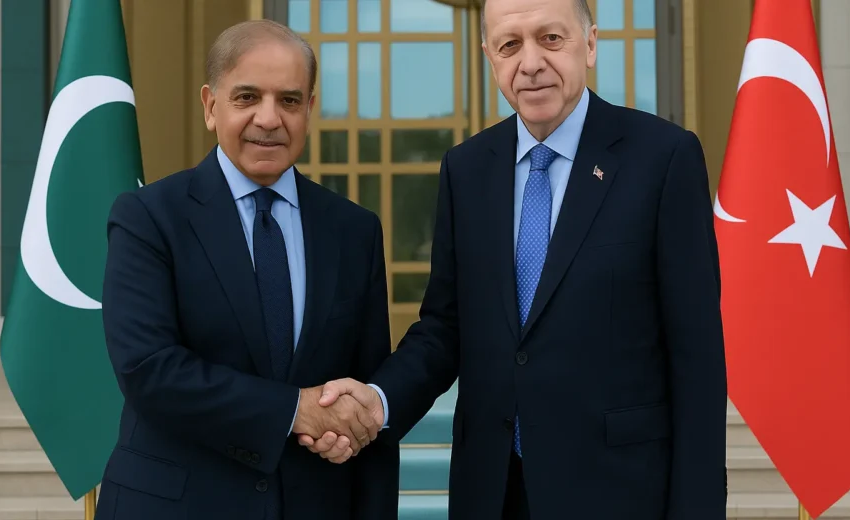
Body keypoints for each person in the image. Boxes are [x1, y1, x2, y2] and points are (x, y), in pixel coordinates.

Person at [303, 0, 728, 517]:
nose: (530, 62)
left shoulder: (664, 159)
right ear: (490, 56)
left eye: (551, 39)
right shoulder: (466, 169)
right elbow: (445, 328)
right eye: (510, 45)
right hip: (493, 491)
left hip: (619, 492)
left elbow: (697, 360)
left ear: (590, 44)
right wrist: (378, 399)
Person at [95, 20, 398, 520]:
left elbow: (363, 388)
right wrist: (294, 410)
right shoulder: (148, 217)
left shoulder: (354, 230)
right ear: (211, 106)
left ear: (309, 110)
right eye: (247, 97)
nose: (269, 118)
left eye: (290, 100)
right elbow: (149, 368)